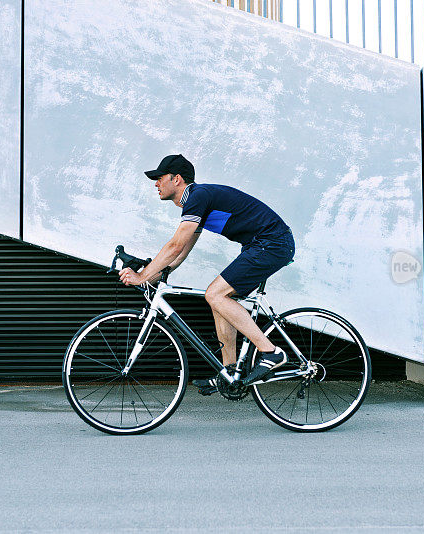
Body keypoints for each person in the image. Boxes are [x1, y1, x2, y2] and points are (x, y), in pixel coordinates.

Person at [119, 154, 295, 393]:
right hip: (262, 244)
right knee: (220, 299)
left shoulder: (198, 196)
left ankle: (271, 352)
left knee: (215, 294)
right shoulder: (198, 202)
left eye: (159, 178)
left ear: (177, 179)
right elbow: (181, 254)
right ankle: (229, 372)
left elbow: (175, 245)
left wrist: (142, 276)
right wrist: (155, 276)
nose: (155, 184)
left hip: (272, 243)